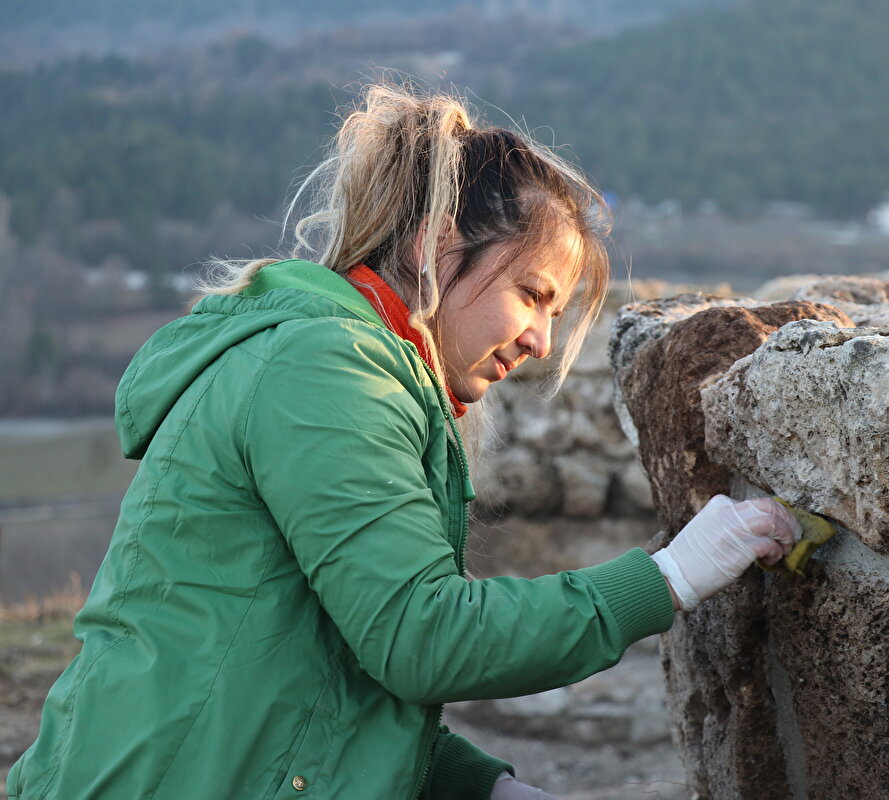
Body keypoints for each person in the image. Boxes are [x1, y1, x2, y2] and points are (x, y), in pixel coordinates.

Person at [7, 83, 800, 800]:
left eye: (554, 314)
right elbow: (419, 636)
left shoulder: (345, 363)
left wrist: (478, 786)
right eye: (531, 294)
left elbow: (325, 680)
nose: (540, 342)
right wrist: (667, 577)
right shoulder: (324, 369)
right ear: (435, 248)